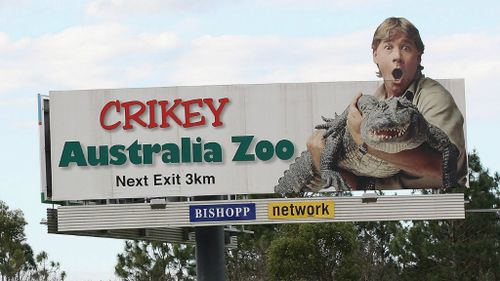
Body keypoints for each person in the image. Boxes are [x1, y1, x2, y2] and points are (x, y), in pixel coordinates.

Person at [308, 17, 467, 189]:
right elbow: (360, 186)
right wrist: (322, 162)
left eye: (405, 48)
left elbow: (444, 168)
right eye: (388, 47)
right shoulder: (374, 103)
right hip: (384, 206)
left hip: (431, 206)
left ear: (419, 57)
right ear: (375, 55)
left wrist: (364, 141)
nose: (397, 57)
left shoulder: (434, 97)